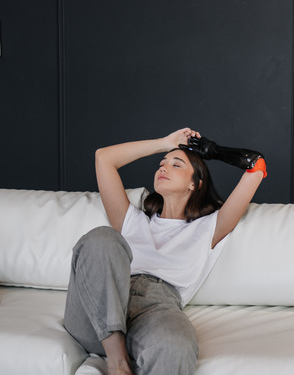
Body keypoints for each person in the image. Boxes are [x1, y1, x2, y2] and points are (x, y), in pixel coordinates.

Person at [63, 128, 265, 375]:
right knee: (101, 238)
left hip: (155, 314)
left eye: (176, 164)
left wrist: (210, 150)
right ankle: (117, 361)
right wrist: (165, 143)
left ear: (195, 183)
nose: (163, 168)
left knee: (176, 346)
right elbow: (104, 158)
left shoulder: (210, 227)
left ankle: (106, 362)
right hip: (97, 310)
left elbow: (257, 165)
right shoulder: (132, 221)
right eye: (161, 163)